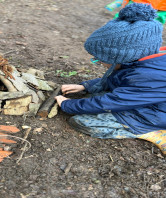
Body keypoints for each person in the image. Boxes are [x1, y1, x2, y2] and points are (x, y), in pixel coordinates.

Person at [55, 3, 166, 154]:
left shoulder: (148, 77)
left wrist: (70, 105)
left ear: (122, 57)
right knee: (93, 97)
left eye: (99, 59)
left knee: (81, 122)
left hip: (154, 116)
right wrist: (85, 86)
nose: (99, 61)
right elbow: (120, 80)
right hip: (146, 103)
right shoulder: (142, 60)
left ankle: (150, 132)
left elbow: (114, 101)